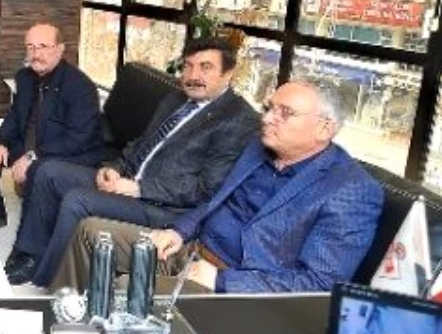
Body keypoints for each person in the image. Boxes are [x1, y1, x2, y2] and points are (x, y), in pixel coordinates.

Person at [53, 80, 384, 294]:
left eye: (285, 113)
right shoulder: (258, 147)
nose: (267, 118)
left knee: (128, 288)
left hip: (236, 285)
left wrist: (221, 280)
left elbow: (320, 283)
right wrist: (179, 231)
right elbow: (216, 201)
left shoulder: (351, 191)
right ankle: (66, 322)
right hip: (191, 249)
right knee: (91, 232)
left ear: (325, 128)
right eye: (269, 108)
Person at [14, 36, 260, 286]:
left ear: (228, 73)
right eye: (188, 66)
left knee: (78, 200)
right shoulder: (175, 99)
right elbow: (141, 143)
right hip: (128, 179)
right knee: (48, 171)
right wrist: (114, 168)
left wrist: (138, 189)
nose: (193, 75)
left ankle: (54, 282)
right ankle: (30, 256)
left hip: (166, 208)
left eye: (205, 67)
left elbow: (207, 189)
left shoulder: (239, 119)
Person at [0, 23, 107, 236]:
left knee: (39, 170)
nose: (36, 54)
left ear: (60, 49)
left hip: (61, 153)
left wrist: (32, 156)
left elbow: (78, 139)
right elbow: (15, 117)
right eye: (31, 47)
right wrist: (0, 142)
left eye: (43, 46)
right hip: (30, 144)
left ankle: (32, 234)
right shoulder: (25, 77)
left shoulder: (80, 87)